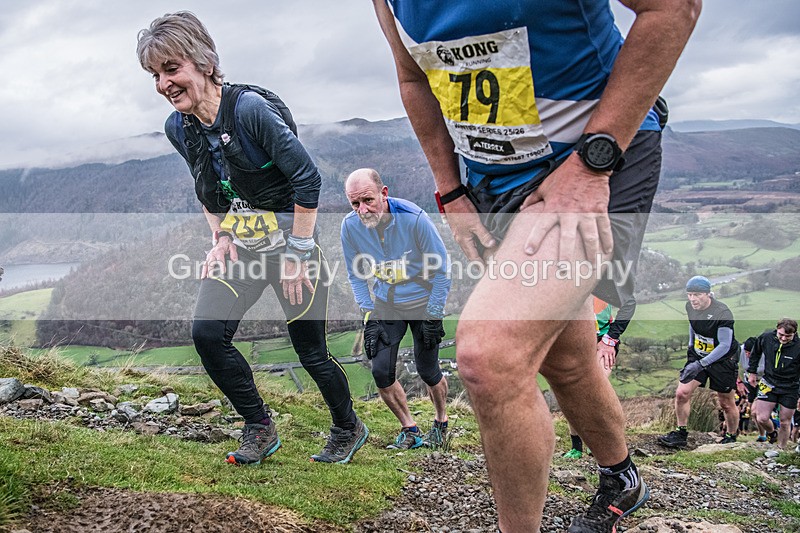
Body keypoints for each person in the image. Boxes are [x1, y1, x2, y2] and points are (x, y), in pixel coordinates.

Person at [373, 1, 701, 531]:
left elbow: (672, 8)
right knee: (565, 357)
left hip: (597, 159)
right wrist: (451, 192)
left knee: (490, 355)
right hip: (494, 184)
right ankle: (622, 477)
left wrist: (593, 164)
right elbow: (413, 77)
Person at [137, 12, 367, 465]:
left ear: (203, 61)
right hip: (241, 249)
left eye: (171, 69)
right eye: (155, 75)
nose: (164, 84)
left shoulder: (248, 111)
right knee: (206, 333)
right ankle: (258, 425)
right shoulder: (177, 128)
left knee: (312, 353)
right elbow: (206, 191)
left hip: (291, 247)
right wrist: (220, 238)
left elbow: (307, 181)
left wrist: (298, 252)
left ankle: (347, 426)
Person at [341, 168, 452, 449]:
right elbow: (355, 274)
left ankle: (441, 420)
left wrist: (434, 314)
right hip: (386, 303)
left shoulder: (414, 219)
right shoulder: (349, 226)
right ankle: (410, 429)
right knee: (380, 372)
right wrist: (368, 314)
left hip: (422, 300)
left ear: (384, 193)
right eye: (355, 204)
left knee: (428, 370)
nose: (362, 210)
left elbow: (442, 269)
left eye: (368, 200)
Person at [658, 276, 740, 448]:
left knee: (725, 402)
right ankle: (681, 433)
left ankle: (731, 437)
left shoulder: (723, 313)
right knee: (682, 393)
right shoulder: (690, 306)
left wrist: (701, 364)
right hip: (698, 355)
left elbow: (725, 345)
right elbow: (693, 326)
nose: (692, 299)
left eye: (697, 294)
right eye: (689, 294)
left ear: (708, 294)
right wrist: (691, 347)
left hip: (723, 359)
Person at [563, 296, 635, 459]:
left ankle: (606, 444)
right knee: (572, 392)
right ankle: (577, 447)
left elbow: (629, 302)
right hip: (575, 340)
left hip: (602, 340)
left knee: (594, 390)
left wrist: (610, 339)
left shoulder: (605, 278)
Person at [748, 318, 800, 451]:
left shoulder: (798, 346)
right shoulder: (766, 338)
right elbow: (755, 353)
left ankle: (780, 449)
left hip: (790, 386)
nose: (783, 338)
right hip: (769, 382)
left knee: (784, 421)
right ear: (776, 330)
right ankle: (772, 433)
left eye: (787, 336)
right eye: (780, 335)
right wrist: (752, 372)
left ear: (794, 334)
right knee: (761, 418)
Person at [738, 336, 770, 442]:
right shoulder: (740, 350)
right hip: (749, 382)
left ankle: (772, 430)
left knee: (757, 410)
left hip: (765, 381)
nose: (747, 355)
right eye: (746, 352)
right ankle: (762, 435)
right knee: (753, 412)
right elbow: (731, 365)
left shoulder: (766, 354)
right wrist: (739, 381)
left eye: (750, 353)